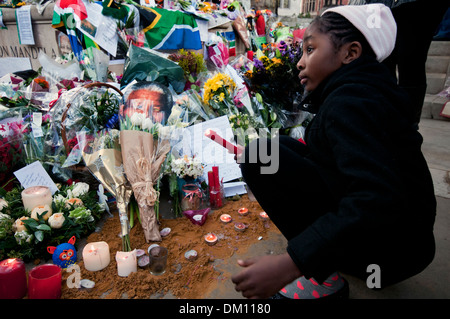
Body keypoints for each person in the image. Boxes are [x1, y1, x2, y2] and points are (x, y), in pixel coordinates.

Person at [231, 4, 436, 299]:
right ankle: (326, 256)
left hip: (392, 252)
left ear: (350, 54)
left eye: (310, 50)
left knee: (260, 155)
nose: (300, 63)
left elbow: (376, 198)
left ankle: (323, 276)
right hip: (403, 245)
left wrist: (292, 263)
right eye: (301, 52)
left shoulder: (351, 102)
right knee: (273, 152)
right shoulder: (360, 91)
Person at [363, 0, 450, 124]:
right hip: (381, 6)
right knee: (384, 59)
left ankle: (407, 128)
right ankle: (384, 121)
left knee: (410, 59)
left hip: (416, 5)